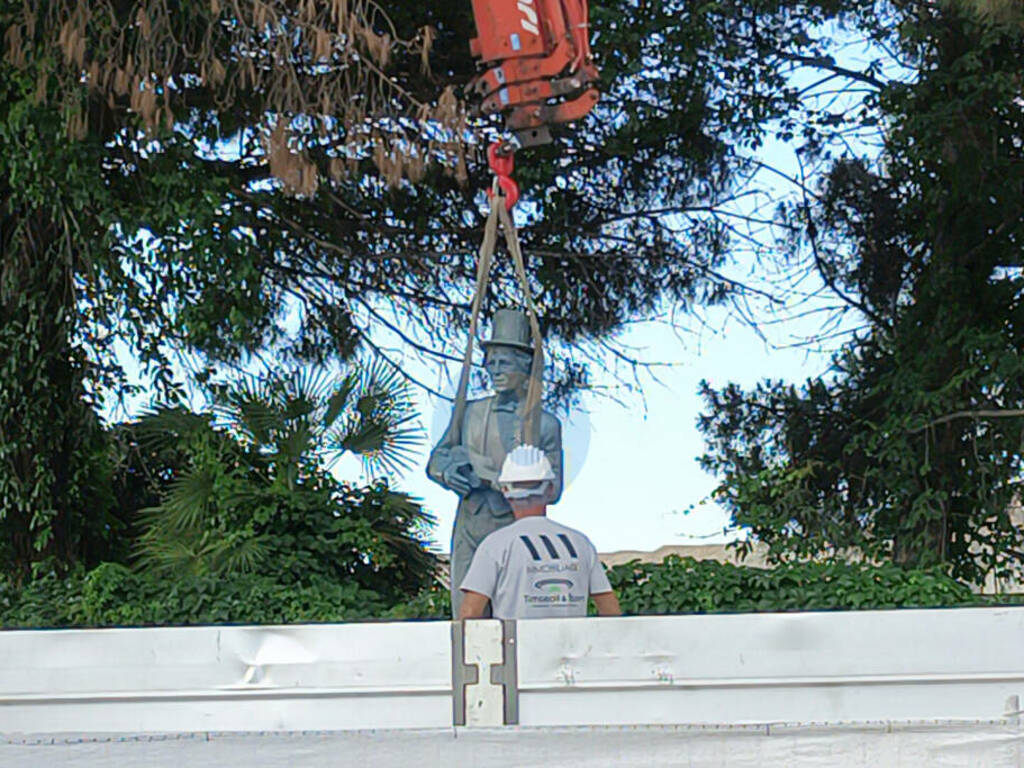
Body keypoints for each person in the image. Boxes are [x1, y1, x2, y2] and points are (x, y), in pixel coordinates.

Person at [427, 309, 563, 617]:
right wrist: (448, 472)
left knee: (516, 617)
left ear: (525, 366)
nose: (495, 370)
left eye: (505, 363)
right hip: (470, 528)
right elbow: (436, 458)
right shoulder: (470, 411)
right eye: (492, 363)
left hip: (518, 528)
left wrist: (496, 479)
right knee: (467, 618)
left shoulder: (545, 425)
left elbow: (554, 489)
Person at [459, 444, 621, 620]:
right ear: (550, 489)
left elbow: (470, 612)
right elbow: (610, 610)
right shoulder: (580, 543)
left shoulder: (495, 545)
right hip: (572, 647)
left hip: (516, 646)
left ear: (505, 490)